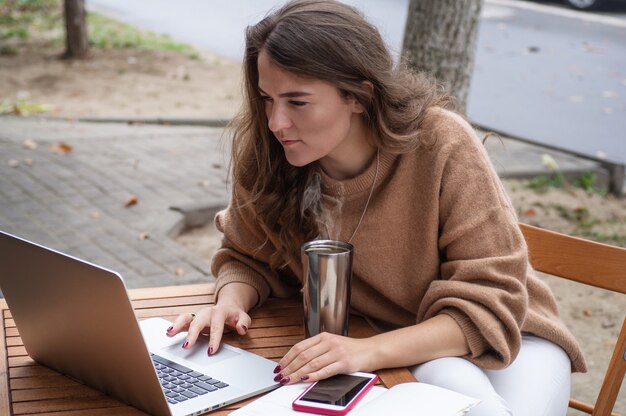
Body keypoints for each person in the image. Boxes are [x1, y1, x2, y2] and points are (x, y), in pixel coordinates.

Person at [167, 1, 586, 414]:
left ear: (359, 96)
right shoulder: (271, 154)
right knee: (461, 393)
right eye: (266, 98)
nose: (277, 122)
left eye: (297, 102)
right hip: (408, 350)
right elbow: (248, 255)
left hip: (515, 336)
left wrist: (363, 351)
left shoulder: (441, 144)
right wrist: (230, 302)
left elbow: (490, 301)